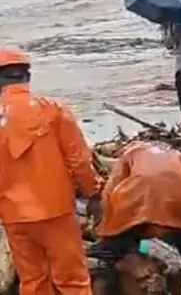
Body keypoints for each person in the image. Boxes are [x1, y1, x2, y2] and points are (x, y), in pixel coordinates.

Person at [0, 48, 103, 295]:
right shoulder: (53, 110)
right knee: (73, 281)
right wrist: (94, 194)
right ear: (27, 76)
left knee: (33, 281)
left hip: (13, 215)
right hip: (55, 210)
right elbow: (79, 160)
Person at [88, 142, 181, 295]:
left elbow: (109, 194)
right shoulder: (177, 156)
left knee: (105, 255)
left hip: (141, 202)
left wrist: (103, 229)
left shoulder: (129, 155)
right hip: (179, 204)